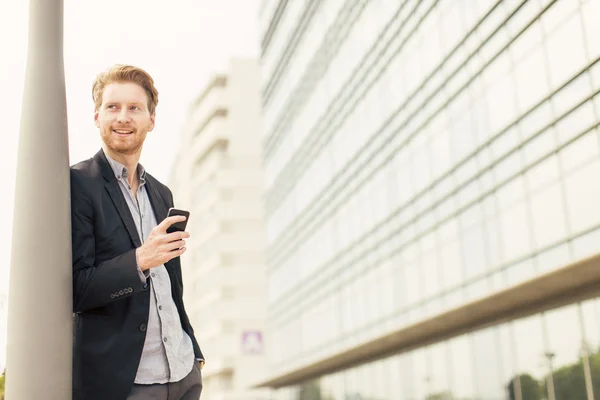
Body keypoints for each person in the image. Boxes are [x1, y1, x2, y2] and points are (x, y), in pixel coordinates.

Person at [70, 64, 204, 400]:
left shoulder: (161, 193)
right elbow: (77, 288)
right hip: (126, 383)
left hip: (184, 374)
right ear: (97, 117)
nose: (123, 118)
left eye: (134, 108)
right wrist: (140, 259)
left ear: (151, 120)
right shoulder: (77, 184)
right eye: (113, 107)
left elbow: (172, 287)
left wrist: (193, 347)